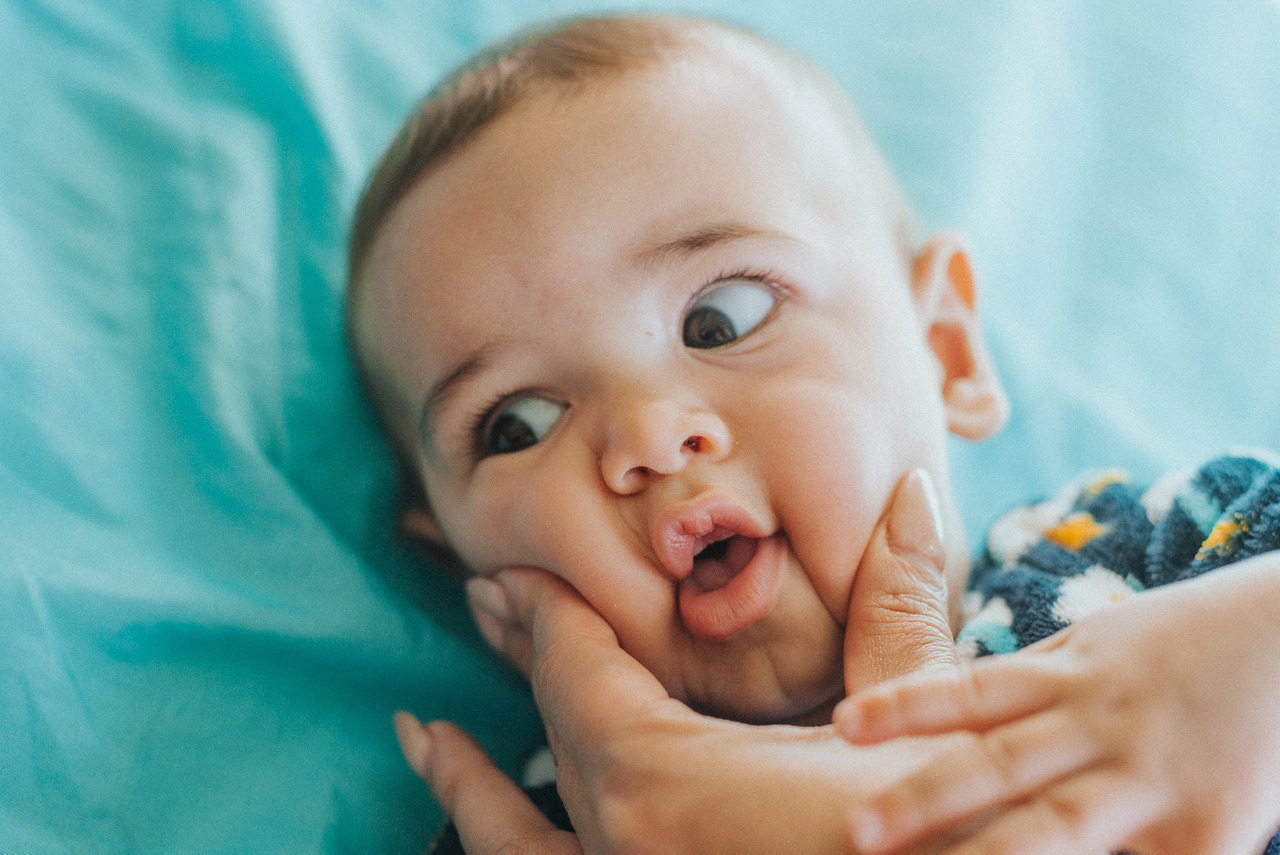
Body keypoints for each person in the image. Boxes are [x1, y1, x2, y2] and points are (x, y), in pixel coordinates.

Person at [345, 12, 1280, 854]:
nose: (648, 436)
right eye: (518, 424)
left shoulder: (1168, 549)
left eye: (723, 318)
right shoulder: (545, 832)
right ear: (475, 576)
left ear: (945, 349)